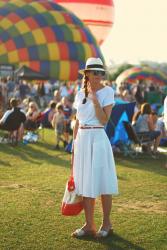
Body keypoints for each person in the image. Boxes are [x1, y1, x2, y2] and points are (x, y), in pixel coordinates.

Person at [71, 57, 118, 238]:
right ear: (87, 74)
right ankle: (89, 224)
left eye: (101, 72)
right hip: (82, 140)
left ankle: (106, 223)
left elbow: (104, 120)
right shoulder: (79, 93)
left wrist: (96, 101)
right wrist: (74, 145)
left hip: (98, 137)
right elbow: (77, 120)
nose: (98, 75)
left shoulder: (108, 91)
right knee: (84, 183)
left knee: (103, 181)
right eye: (95, 72)